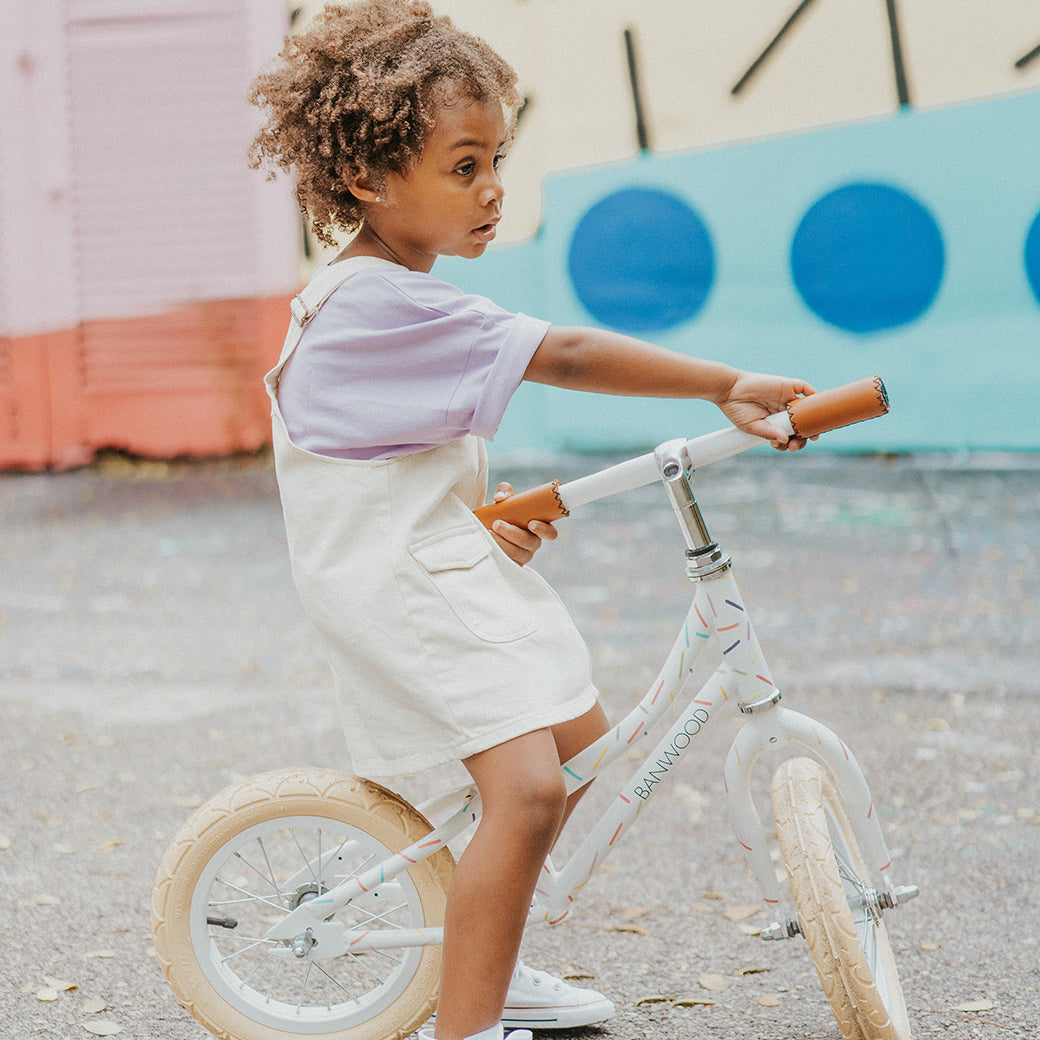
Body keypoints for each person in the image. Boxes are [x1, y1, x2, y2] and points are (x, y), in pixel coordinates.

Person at [249, 4, 814, 1039]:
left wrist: (484, 515)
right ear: (371, 181)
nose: (492, 187)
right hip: (399, 581)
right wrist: (723, 382)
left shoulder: (379, 295)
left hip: (427, 557)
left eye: (494, 158)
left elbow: (379, 459)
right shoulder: (379, 302)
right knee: (526, 788)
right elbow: (567, 355)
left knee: (581, 743)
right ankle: (465, 1025)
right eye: (462, 166)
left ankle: (485, 951)